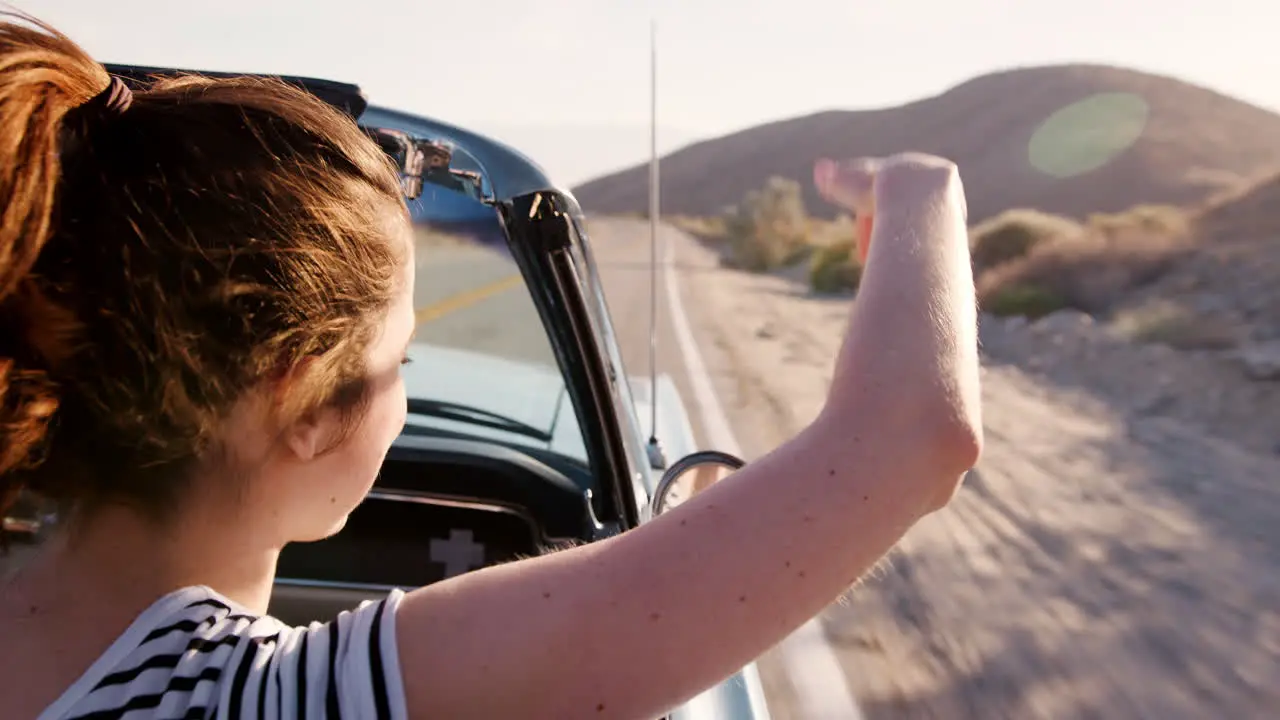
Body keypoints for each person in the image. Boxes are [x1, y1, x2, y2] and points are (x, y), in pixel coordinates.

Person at [0, 13, 981, 720]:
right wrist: (917, 198)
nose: (403, 392)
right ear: (300, 398)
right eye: (399, 357)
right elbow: (909, 441)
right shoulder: (264, 699)